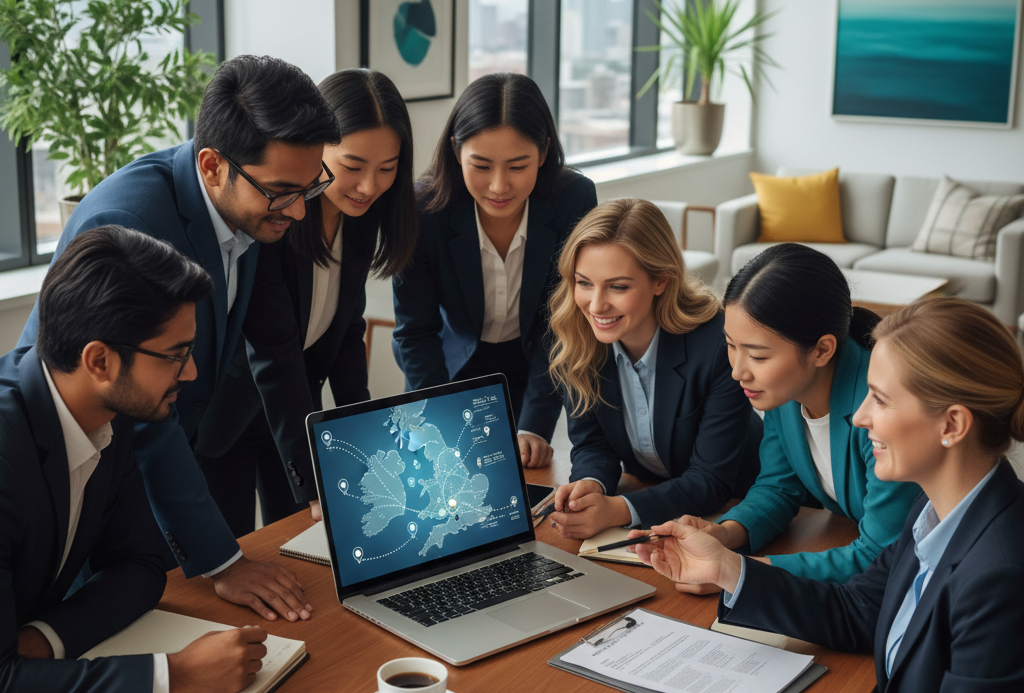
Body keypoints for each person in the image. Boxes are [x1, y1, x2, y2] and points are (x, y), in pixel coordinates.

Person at [631, 296, 1024, 693]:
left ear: (953, 425)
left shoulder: (1001, 578)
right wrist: (727, 568)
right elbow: (858, 610)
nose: (859, 417)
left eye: (880, 399)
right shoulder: (943, 513)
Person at [19, 55, 340, 622]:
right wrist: (222, 561)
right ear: (213, 165)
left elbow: (275, 348)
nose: (297, 209)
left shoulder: (255, 210)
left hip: (168, 447)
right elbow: (138, 413)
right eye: (282, 191)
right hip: (84, 466)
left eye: (310, 186)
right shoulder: (130, 223)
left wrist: (321, 482)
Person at [1, 227, 269, 693]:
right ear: (99, 360)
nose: (189, 374)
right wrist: (176, 674)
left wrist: (42, 639)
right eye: (175, 355)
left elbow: (141, 567)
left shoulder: (110, 410)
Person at [204, 68, 418, 530]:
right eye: (353, 166)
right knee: (235, 559)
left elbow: (344, 334)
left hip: (298, 411)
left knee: (309, 551)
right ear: (319, 149)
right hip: (232, 418)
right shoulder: (276, 216)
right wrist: (319, 481)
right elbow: (274, 355)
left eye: (387, 169)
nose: (369, 186)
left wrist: (362, 439)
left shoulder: (359, 217)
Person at [392, 72, 597, 469]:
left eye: (518, 166)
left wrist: (534, 425)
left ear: (543, 152)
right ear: (456, 151)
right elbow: (415, 333)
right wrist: (437, 419)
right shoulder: (423, 210)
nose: (499, 186)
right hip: (448, 374)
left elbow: (563, 322)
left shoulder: (574, 198)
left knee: (521, 487)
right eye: (481, 166)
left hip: (536, 369)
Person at [686, 244, 920, 583]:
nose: (737, 371)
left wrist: (741, 573)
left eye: (758, 356)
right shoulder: (785, 387)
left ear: (822, 350)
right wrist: (724, 535)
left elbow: (880, 554)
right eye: (731, 345)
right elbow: (778, 487)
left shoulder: (882, 407)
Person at [545, 199, 762, 538]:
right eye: (584, 282)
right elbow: (592, 444)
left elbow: (711, 481)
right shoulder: (576, 339)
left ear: (660, 282)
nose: (596, 304)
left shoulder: (719, 346)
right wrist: (591, 485)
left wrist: (618, 510)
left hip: (741, 510)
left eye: (618, 286)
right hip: (661, 503)